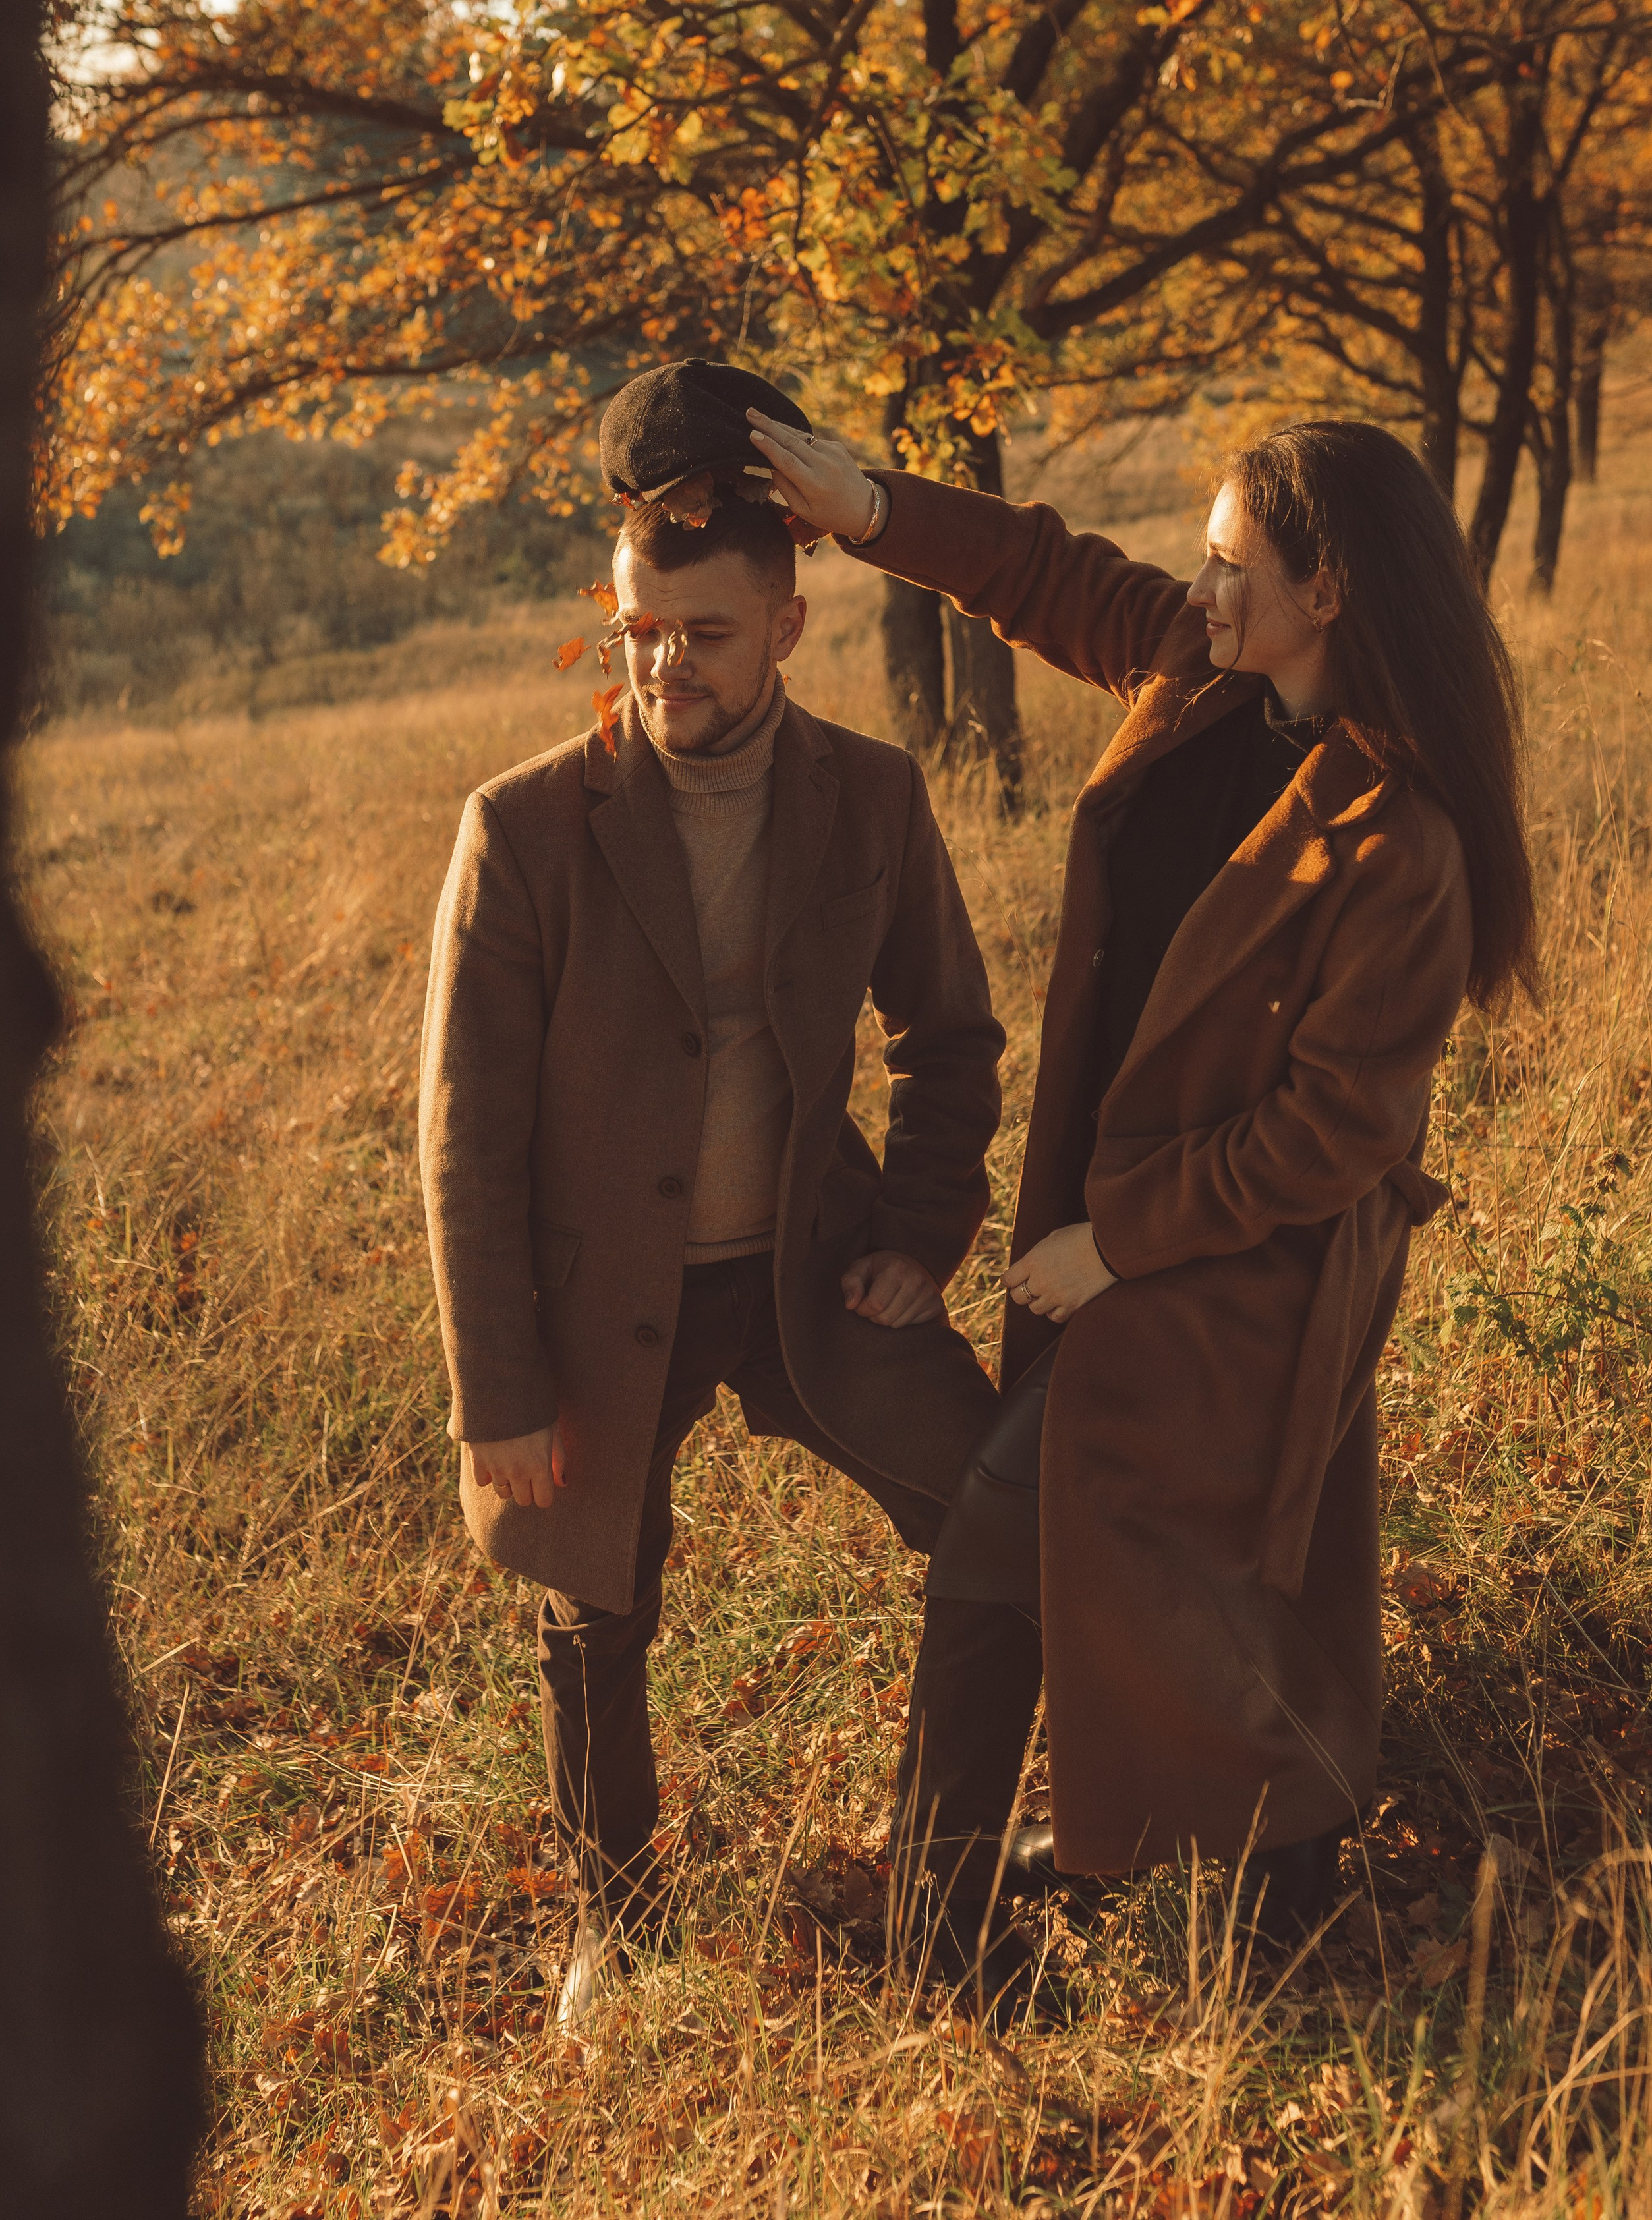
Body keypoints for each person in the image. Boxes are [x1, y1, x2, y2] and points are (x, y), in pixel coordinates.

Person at [747, 408, 1537, 1997]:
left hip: (1242, 1263)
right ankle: (1220, 1859)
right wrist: (868, 506)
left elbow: (1332, 1132)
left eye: (1232, 563)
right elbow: (1040, 573)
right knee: (1184, 1559)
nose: (1201, 587)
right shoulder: (1196, 671)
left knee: (1041, 1526)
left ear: (1328, 593)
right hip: (1115, 1224)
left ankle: (952, 1922)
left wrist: (1113, 1245)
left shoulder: (1405, 843)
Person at [419, 359, 1004, 2028]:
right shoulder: (522, 830)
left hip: (816, 1271)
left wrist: (919, 1236)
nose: (664, 665)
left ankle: (949, 1890)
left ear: (788, 622)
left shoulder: (873, 798)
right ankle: (616, 1926)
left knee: (999, 1513)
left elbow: (949, 1036)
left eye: (704, 635)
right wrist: (499, 1389)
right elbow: (464, 1138)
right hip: (604, 1300)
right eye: (638, 633)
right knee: (593, 1607)